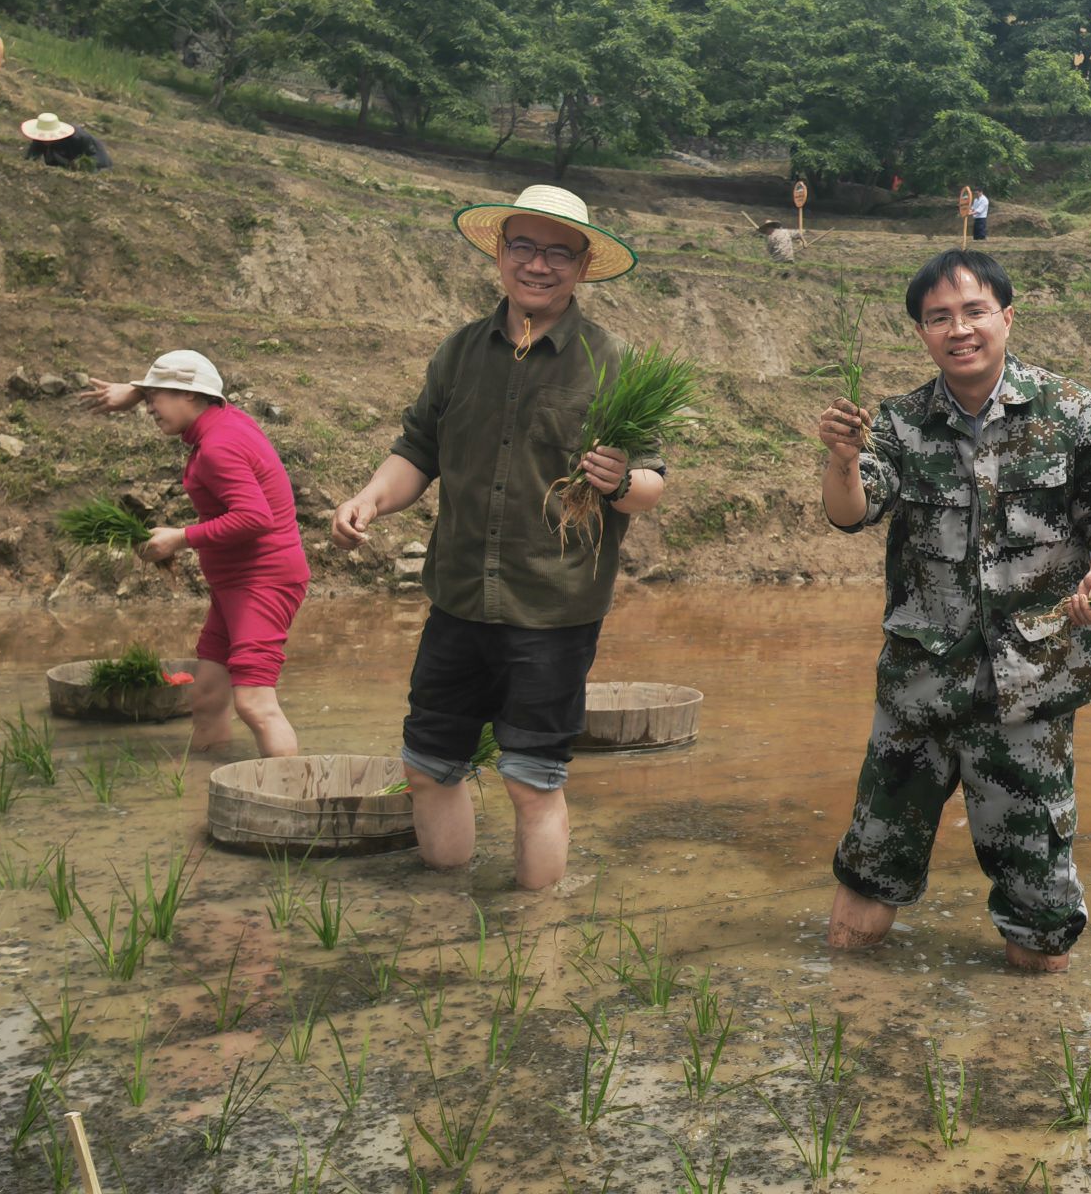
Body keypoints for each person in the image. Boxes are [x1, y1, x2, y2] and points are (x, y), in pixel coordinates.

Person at [817, 248, 1091, 971]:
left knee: (1040, 914)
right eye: (939, 317)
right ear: (922, 332)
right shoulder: (900, 423)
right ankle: (845, 1007)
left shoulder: (1076, 414)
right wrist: (841, 460)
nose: (959, 329)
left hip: (1031, 690)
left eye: (974, 312)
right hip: (918, 690)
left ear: (1007, 314)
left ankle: (1036, 1040)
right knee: (870, 868)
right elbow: (851, 513)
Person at [330, 185, 667, 890]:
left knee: (531, 781)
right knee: (427, 765)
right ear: (499, 252)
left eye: (557, 253)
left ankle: (533, 935)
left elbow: (653, 484)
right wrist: (370, 497)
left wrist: (617, 480)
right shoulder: (459, 353)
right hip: (458, 598)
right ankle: (446, 909)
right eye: (523, 246)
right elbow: (417, 451)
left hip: (552, 608)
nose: (537, 265)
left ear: (581, 266)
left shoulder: (612, 363)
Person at [79, 350, 309, 758]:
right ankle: (209, 784)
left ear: (189, 395)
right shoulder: (225, 418)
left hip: (262, 580)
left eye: (156, 398)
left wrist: (178, 537)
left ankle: (290, 802)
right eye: (147, 398)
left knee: (255, 704)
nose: (149, 408)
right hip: (234, 582)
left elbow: (256, 517)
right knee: (205, 695)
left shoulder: (219, 445)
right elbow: (199, 384)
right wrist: (137, 391)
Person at [21, 111, 112, 170]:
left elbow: (97, 159)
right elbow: (30, 158)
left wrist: (78, 165)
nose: (45, 141)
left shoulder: (78, 138)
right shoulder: (39, 139)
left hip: (95, 160)